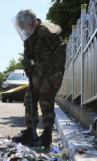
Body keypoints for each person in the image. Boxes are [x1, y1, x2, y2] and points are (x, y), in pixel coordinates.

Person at [11, 9, 66, 148]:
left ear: (33, 22)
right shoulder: (28, 36)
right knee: (29, 100)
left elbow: (61, 49)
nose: (24, 29)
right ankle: (30, 131)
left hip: (50, 73)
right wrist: (27, 65)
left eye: (25, 26)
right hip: (36, 74)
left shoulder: (46, 31)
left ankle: (47, 134)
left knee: (46, 102)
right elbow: (27, 54)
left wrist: (57, 74)